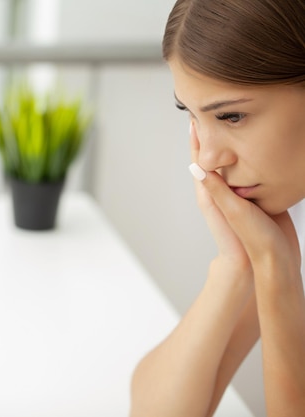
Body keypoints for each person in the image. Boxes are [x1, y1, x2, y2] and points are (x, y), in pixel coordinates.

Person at [129, 0, 305, 416]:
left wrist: (275, 274)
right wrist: (235, 265)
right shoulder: (285, 214)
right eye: (191, 115)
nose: (207, 159)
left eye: (231, 116)